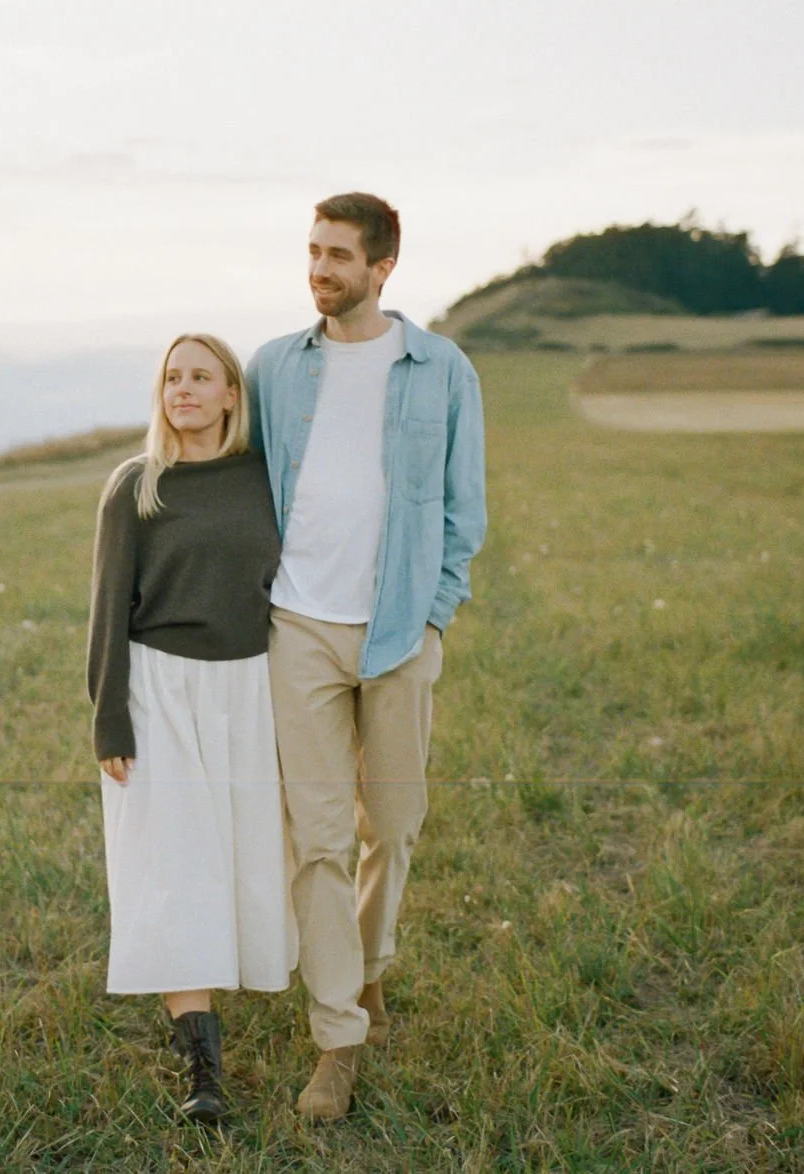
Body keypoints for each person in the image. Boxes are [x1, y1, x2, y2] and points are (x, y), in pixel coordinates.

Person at [246, 192, 488, 1121]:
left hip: (397, 634)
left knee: (393, 827)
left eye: (338, 256)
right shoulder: (274, 368)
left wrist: (432, 618)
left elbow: (465, 511)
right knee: (318, 843)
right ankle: (337, 1038)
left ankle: (371, 964)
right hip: (296, 629)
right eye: (312, 251)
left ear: (383, 267)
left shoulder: (442, 370)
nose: (319, 269)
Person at [86, 332, 296, 1125]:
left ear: (232, 395)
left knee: (240, 861)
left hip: (248, 687)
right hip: (158, 689)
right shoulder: (136, 485)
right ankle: (202, 1072)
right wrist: (110, 718)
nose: (183, 389)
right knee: (173, 866)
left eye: (201, 376)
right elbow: (108, 608)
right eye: (172, 377)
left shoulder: (265, 479)